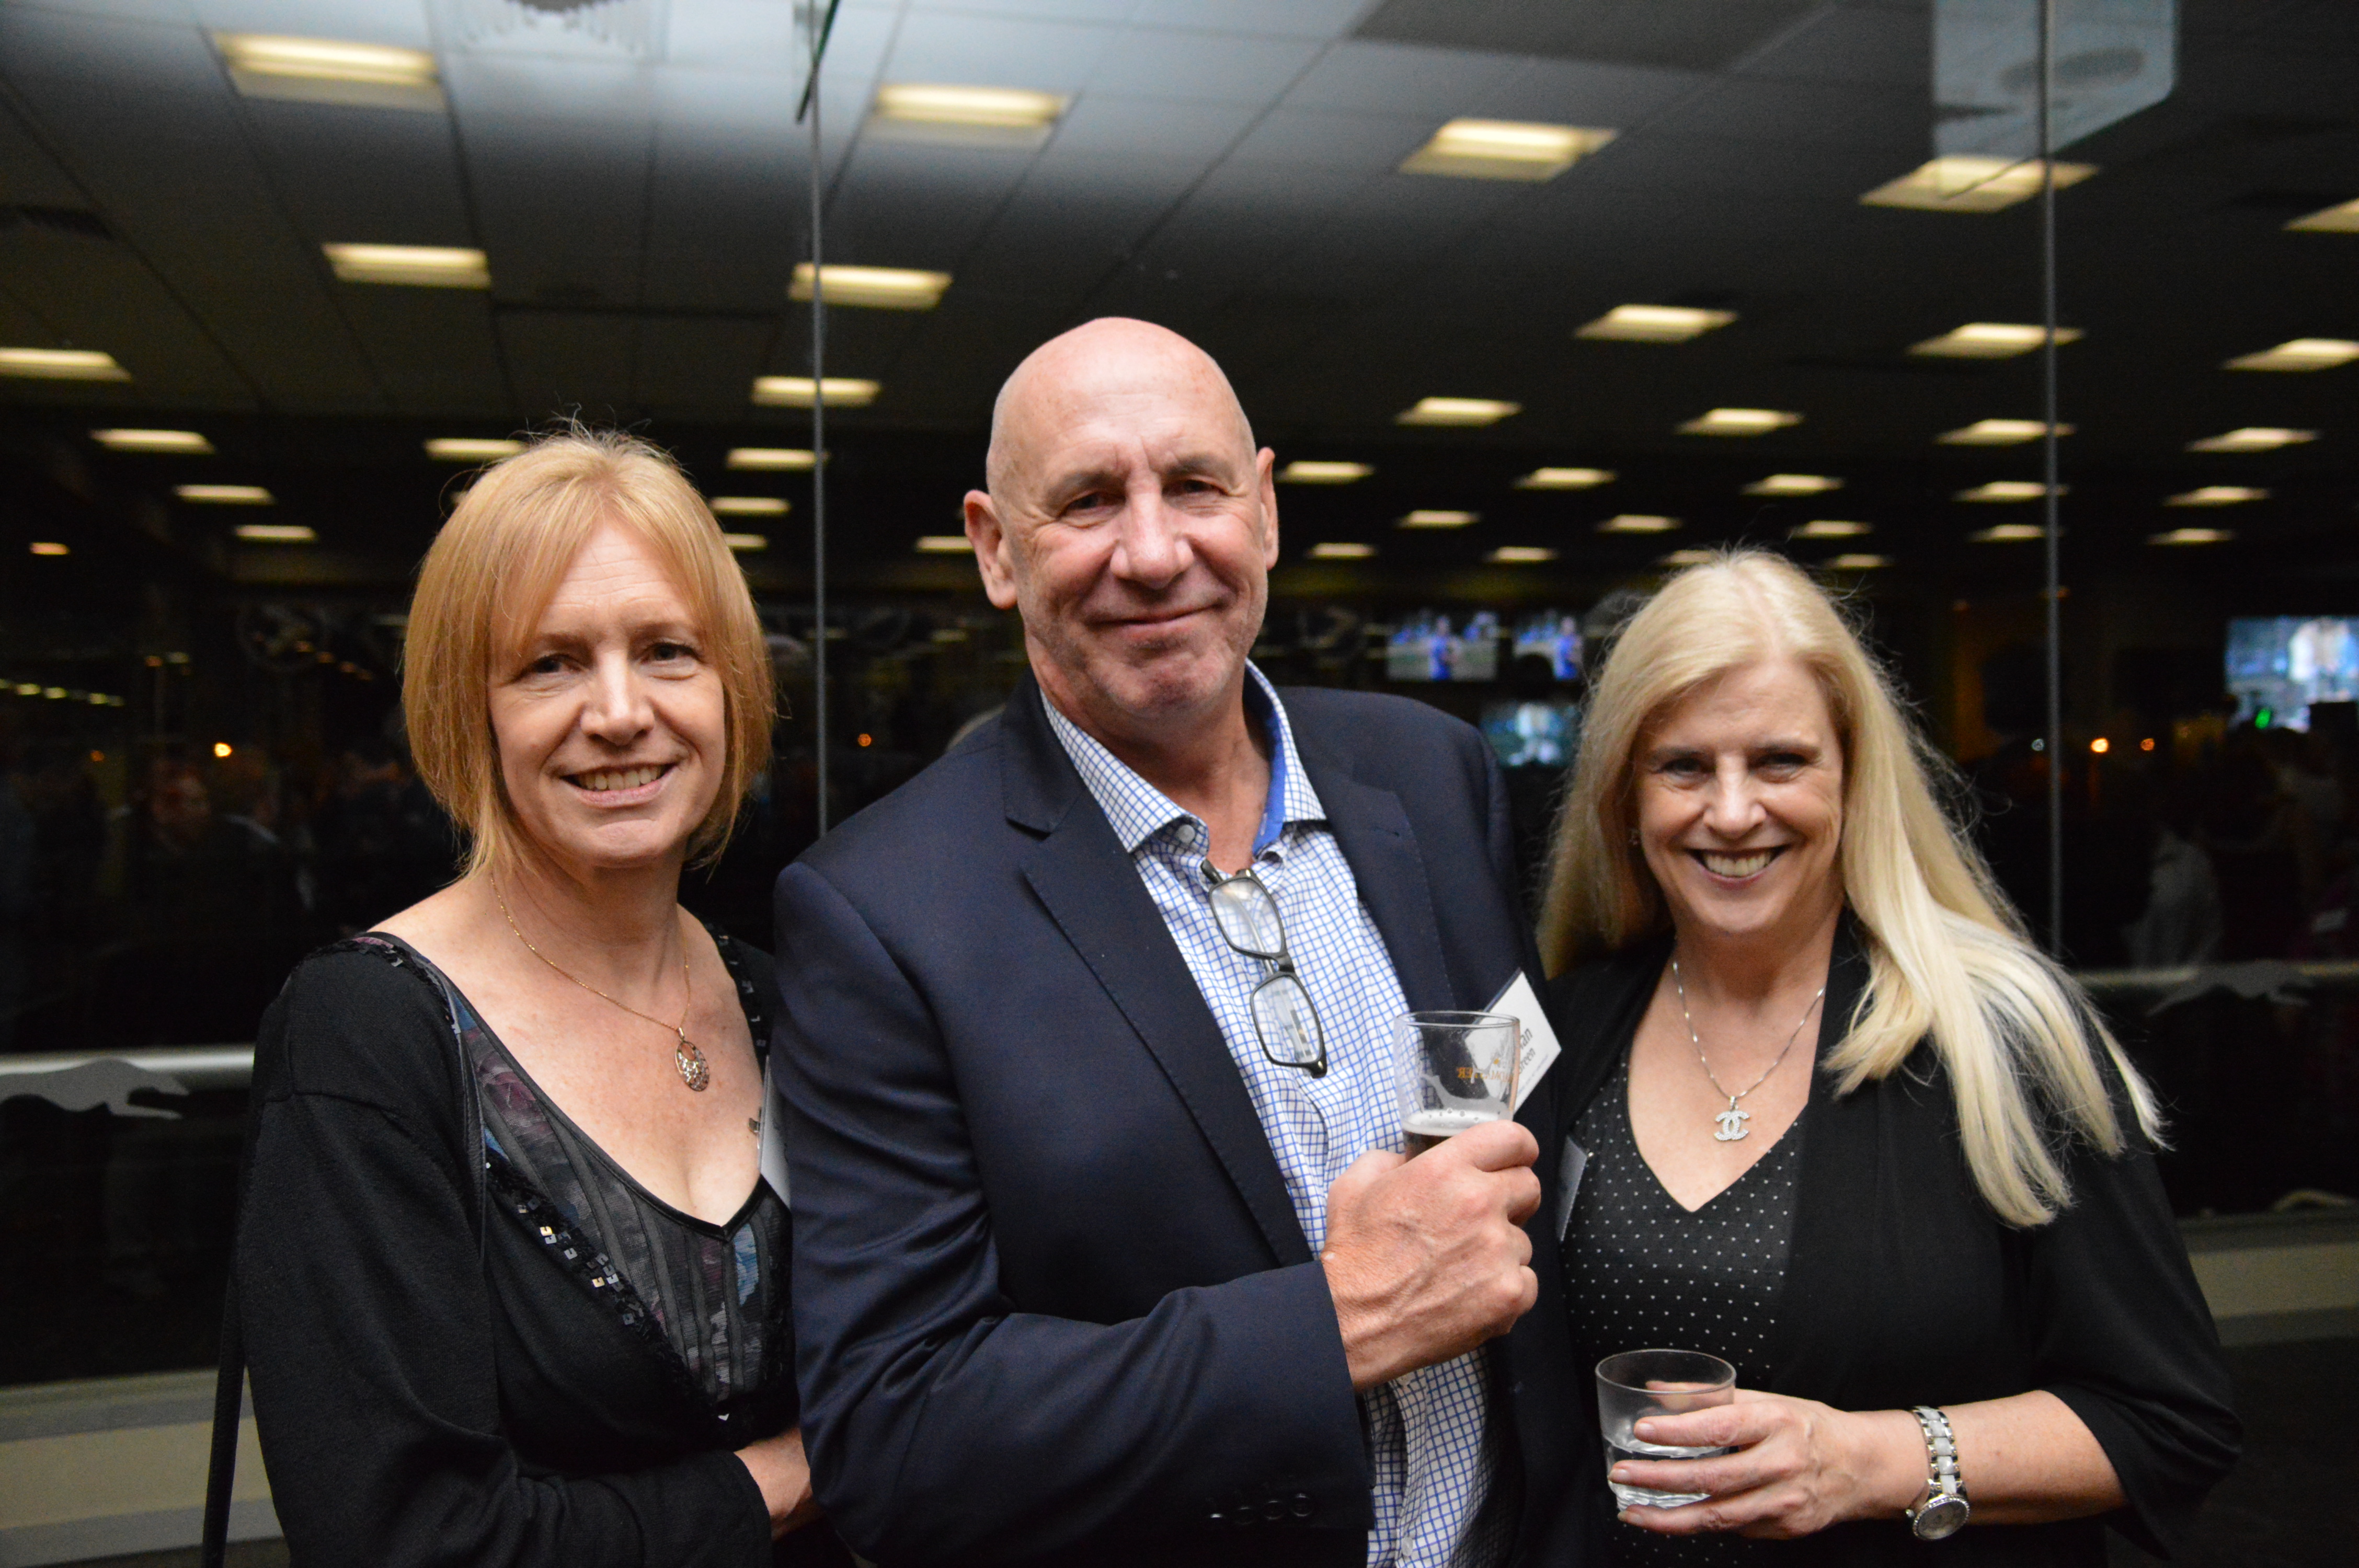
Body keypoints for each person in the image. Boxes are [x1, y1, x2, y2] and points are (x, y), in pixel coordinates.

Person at [774, 318, 1594, 1567]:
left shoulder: (1431, 778)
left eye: (1196, 487)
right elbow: (897, 1438)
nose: (1155, 554)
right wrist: (1340, 1319)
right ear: (995, 549)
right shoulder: (884, 913)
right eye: (1088, 501)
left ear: (1263, 512)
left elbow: (1496, 1080)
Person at [1534, 551, 2239, 1565]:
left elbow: (2168, 1421)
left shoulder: (2000, 1038)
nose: (1731, 811)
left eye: (1781, 761)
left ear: (1855, 778)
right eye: (1682, 766)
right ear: (1624, 799)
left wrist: (1866, 1461)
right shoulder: (1570, 1033)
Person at [232, 431, 841, 1565]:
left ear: (732, 690)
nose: (619, 712)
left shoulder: (784, 998)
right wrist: (799, 1474)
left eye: (666, 651)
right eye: (550, 664)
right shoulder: (369, 1035)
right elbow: (404, 1539)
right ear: (470, 709)